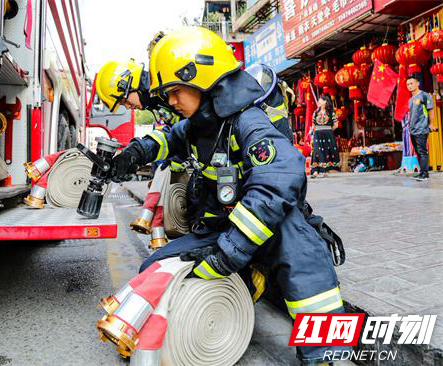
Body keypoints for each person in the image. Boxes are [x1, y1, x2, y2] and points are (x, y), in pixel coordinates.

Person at [110, 27, 348, 366]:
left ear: (203, 80)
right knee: (158, 264)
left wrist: (231, 252)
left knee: (305, 261)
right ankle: (252, 277)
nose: (171, 101)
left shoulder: (247, 122)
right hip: (224, 226)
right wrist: (135, 153)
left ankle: (327, 354)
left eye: (176, 91)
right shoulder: (198, 124)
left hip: (269, 225)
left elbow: (279, 180)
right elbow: (168, 140)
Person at [406, 76, 435, 181]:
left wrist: (431, 124)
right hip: (412, 130)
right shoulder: (410, 100)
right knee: (418, 152)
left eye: (411, 83)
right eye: (408, 84)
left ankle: (425, 174)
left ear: (417, 84)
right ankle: (422, 172)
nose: (410, 86)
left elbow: (430, 110)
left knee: (422, 152)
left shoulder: (424, 96)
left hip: (422, 128)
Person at [310, 95, 340, 178]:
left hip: (328, 134)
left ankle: (325, 170)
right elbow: (313, 125)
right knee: (316, 151)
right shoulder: (315, 112)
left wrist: (328, 130)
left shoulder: (331, 112)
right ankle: (315, 171)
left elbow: (336, 125)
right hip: (317, 134)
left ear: (325, 101)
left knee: (327, 151)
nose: (319, 102)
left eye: (320, 100)